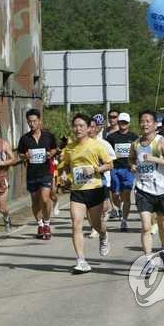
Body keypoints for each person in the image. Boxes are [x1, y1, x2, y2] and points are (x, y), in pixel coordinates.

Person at [59, 113, 113, 274]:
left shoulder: (96, 145)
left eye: (81, 125)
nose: (78, 129)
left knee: (96, 224)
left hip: (94, 189)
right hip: (77, 191)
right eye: (75, 126)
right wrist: (63, 174)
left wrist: (95, 169)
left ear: (89, 127)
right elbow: (65, 165)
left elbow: (109, 165)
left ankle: (103, 235)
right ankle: (81, 260)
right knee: (76, 223)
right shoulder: (69, 147)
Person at [128, 110, 164, 275]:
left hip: (162, 189)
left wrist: (155, 159)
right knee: (146, 226)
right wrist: (133, 166)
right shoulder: (135, 144)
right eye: (142, 121)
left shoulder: (160, 142)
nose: (145, 124)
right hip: (143, 189)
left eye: (148, 121)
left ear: (155, 124)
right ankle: (148, 260)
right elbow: (131, 160)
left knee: (163, 226)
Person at [18, 108, 57, 240]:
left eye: (34, 121)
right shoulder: (24, 139)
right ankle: (40, 225)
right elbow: (20, 154)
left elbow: (54, 149)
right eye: (29, 122)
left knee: (45, 198)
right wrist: (25, 156)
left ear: (39, 121)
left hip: (45, 172)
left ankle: (47, 224)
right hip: (32, 173)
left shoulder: (48, 136)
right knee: (35, 201)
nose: (32, 124)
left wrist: (50, 153)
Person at [106, 112, 138, 231]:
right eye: (121, 122)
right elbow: (106, 153)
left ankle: (124, 220)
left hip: (129, 170)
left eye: (125, 122)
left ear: (128, 123)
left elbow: (138, 152)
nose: (123, 124)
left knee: (127, 196)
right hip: (115, 169)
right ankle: (119, 208)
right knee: (115, 195)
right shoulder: (111, 137)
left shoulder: (134, 137)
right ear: (118, 123)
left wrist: (135, 164)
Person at [87, 115, 117, 238]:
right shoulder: (79, 144)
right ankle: (94, 227)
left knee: (103, 206)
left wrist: (99, 166)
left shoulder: (104, 144)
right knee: (89, 206)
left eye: (93, 127)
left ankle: (100, 224)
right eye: (89, 127)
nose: (91, 129)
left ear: (97, 128)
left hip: (102, 178)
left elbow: (111, 162)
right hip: (85, 180)